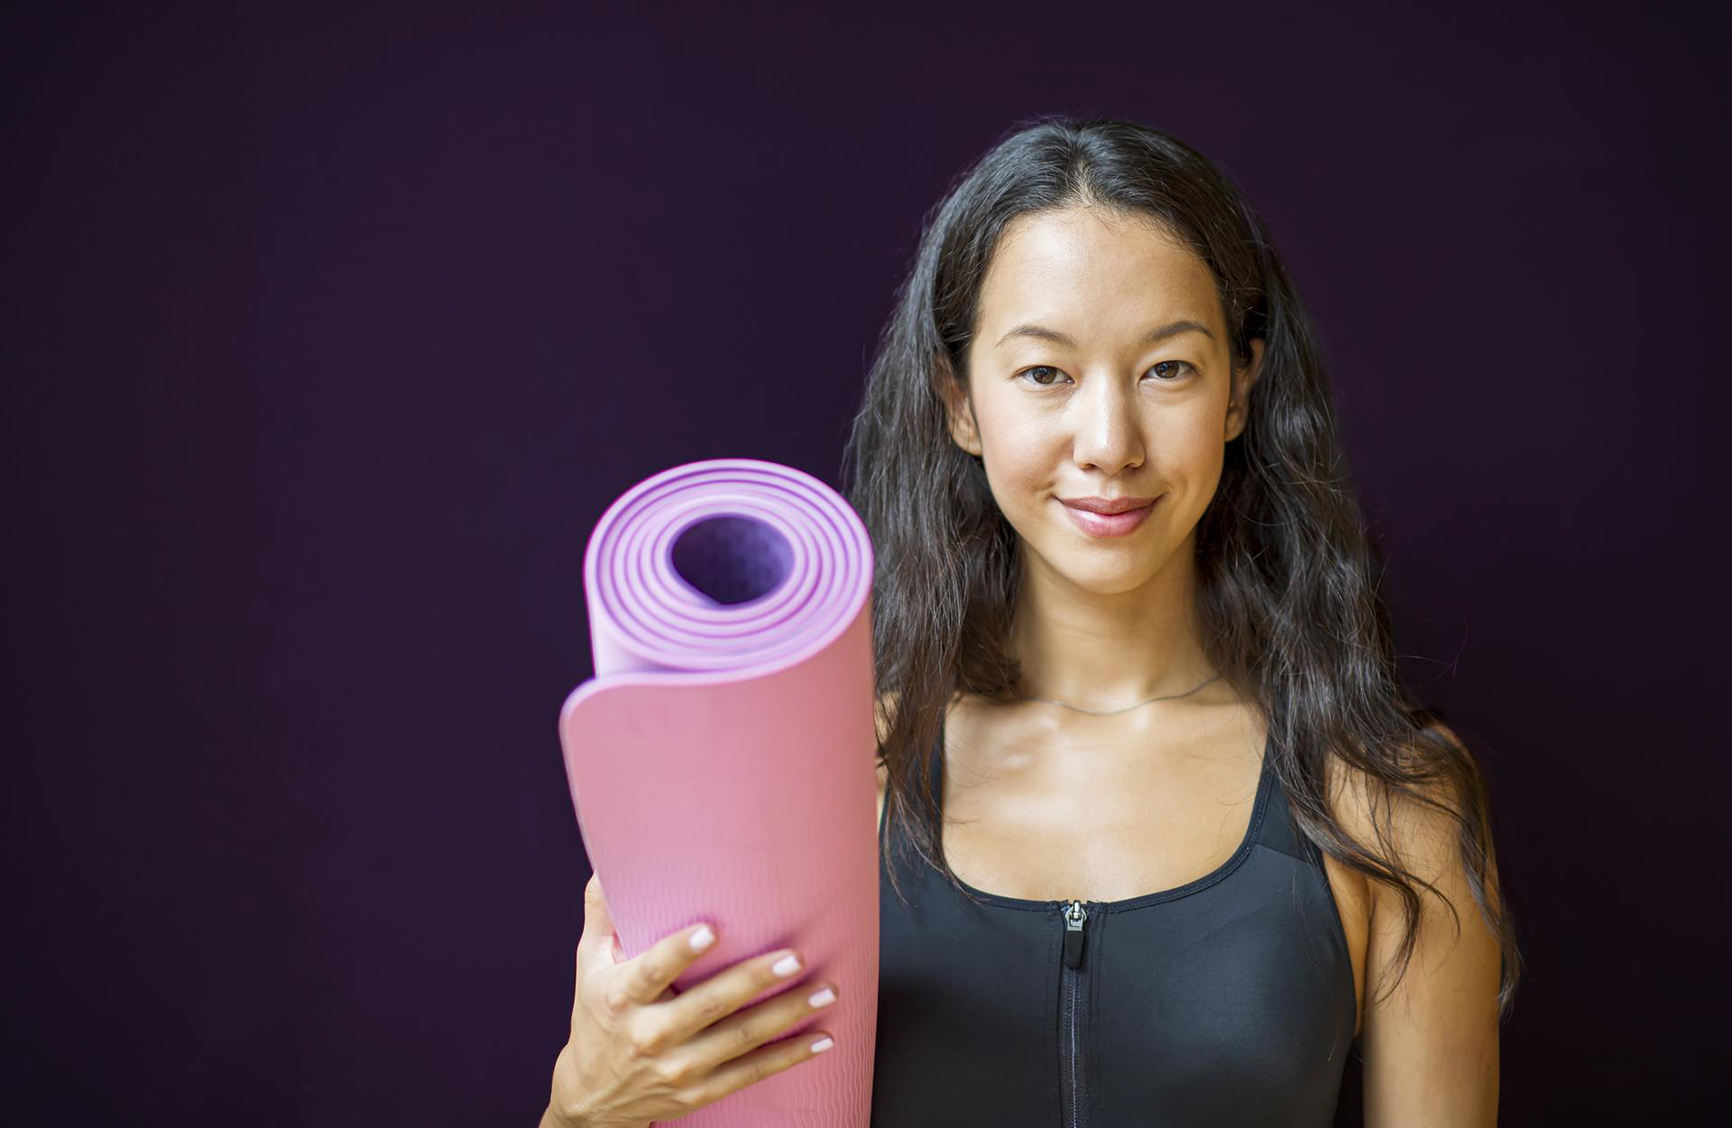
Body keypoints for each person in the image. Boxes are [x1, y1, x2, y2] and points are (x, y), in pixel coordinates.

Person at [540, 115, 1522, 1128]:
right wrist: (585, 1105)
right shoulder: (831, 783)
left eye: (1168, 369)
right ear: (959, 401)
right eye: (1045, 373)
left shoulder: (1388, 801)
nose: (1109, 442)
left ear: (1240, 387)